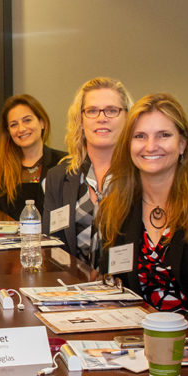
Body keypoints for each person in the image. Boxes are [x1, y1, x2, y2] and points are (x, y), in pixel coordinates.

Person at [96, 93, 188, 328]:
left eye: (164, 135)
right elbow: (112, 283)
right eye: (140, 136)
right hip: (136, 339)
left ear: (183, 143)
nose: (150, 146)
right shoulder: (116, 208)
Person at [42, 77, 133, 264]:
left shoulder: (141, 176)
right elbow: (50, 246)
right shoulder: (58, 178)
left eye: (112, 110)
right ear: (81, 121)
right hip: (71, 289)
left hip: (127, 290)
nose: (101, 118)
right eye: (92, 111)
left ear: (127, 118)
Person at [0, 94, 67, 219]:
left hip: (53, 237)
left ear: (42, 123)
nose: (21, 129)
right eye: (14, 124)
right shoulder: (0, 168)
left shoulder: (63, 162)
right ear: (8, 132)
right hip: (12, 238)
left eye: (27, 120)